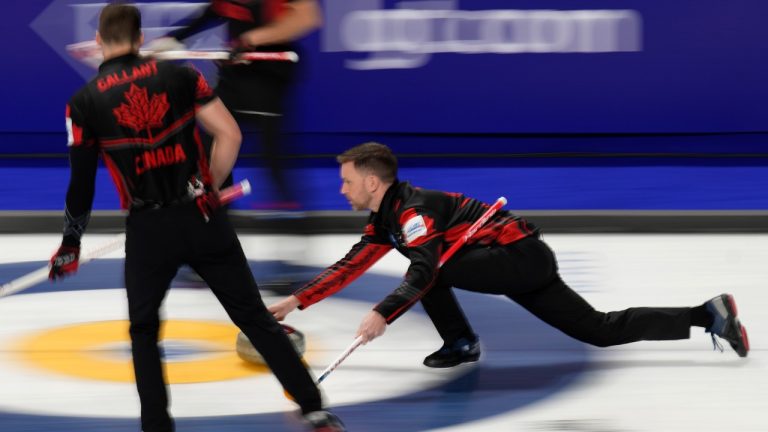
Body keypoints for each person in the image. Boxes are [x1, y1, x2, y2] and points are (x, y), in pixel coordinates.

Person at [48, 4, 344, 432]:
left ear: (98, 41)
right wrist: (207, 189)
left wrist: (71, 244)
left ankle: (157, 425)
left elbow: (81, 186)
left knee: (145, 332)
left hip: (149, 231)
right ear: (140, 38)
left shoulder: (83, 104)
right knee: (254, 318)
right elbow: (230, 134)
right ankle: (313, 407)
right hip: (204, 219)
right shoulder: (183, 77)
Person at [268, 141, 750, 370]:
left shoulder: (414, 214)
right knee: (598, 331)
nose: (341, 189)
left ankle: (460, 343)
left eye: (347, 181)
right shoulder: (387, 219)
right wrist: (297, 302)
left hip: (520, 258)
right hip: (519, 262)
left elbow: (425, 269)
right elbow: (351, 264)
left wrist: (382, 312)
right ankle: (706, 315)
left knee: (429, 269)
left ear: (372, 182)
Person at [146, 0, 322, 209]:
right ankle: (217, 200)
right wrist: (172, 39)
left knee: (272, 151)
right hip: (235, 76)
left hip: (268, 76)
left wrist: (252, 38)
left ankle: (291, 211)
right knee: (211, 137)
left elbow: (308, 18)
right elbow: (211, 13)